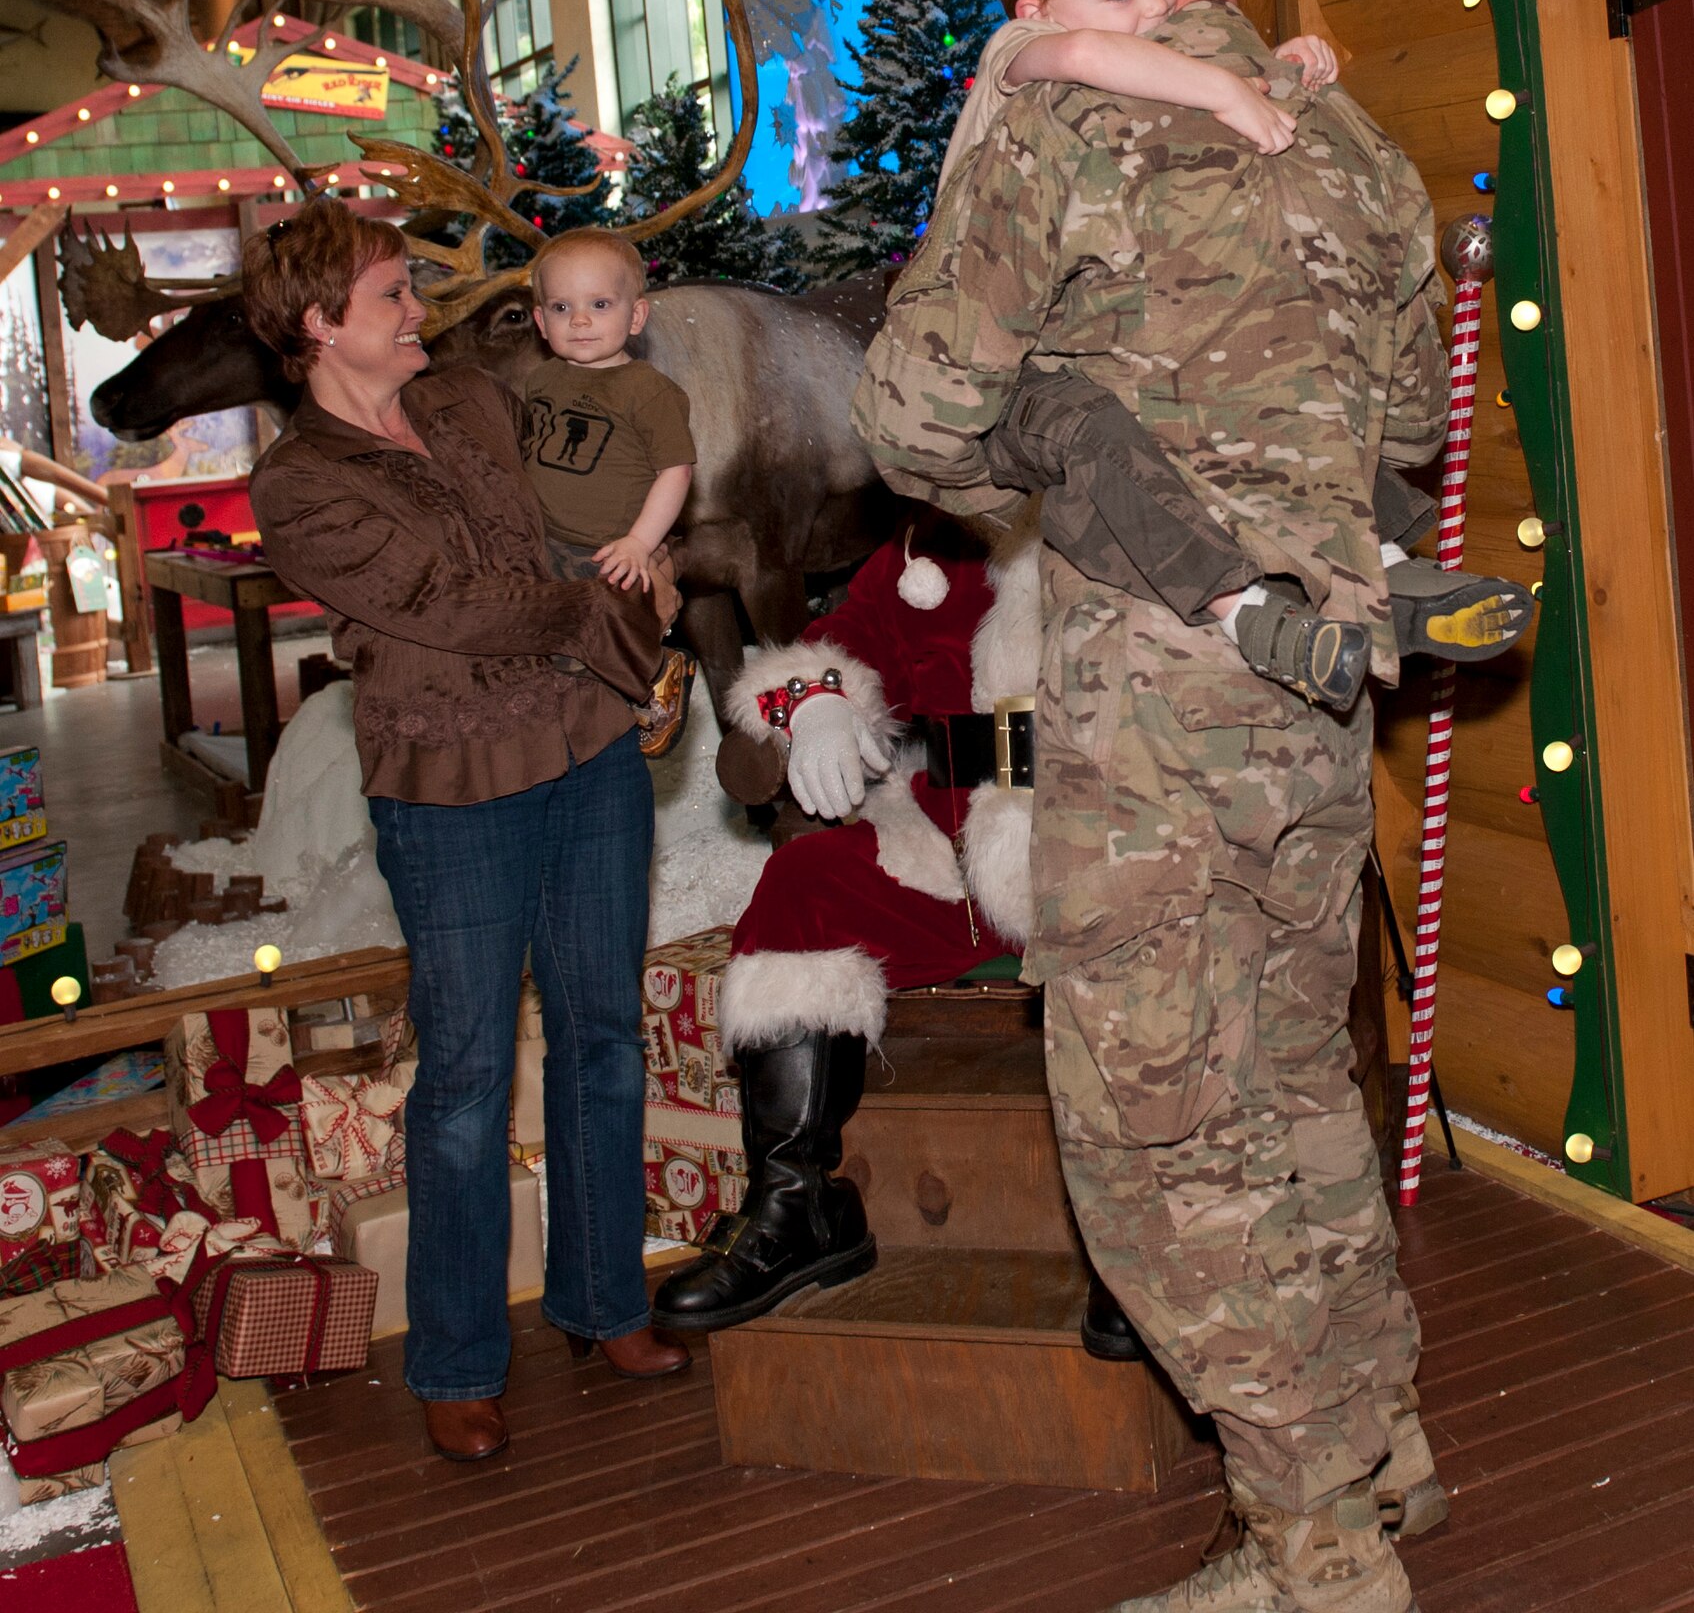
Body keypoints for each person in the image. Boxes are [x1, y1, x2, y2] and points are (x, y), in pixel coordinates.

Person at [853, 0, 1444, 1612]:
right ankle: (1375, 1451)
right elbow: (1407, 425)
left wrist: (1051, 445)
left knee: (1157, 1129)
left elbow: (909, 417)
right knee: (1288, 1079)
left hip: (1156, 706)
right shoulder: (1351, 148)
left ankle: (1306, 1546)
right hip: (1312, 693)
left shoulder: (1056, 120)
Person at [244, 200, 690, 1470]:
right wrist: (601, 614)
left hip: (587, 750)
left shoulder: (468, 401)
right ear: (322, 324)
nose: (414, 310)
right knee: (466, 1077)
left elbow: (574, 516)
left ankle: (607, 1302)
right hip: (448, 788)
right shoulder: (299, 484)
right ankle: (453, 1358)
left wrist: (646, 574)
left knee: (602, 1027)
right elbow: (454, 605)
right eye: (390, 293)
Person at [963, 0, 1530, 710]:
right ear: (1034, 8)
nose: (1156, 9)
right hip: (1041, 381)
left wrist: (1284, 65)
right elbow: (1416, 421)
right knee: (1181, 435)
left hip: (1142, 643)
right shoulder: (1026, 58)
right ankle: (1315, 585)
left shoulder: (1097, 80)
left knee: (1186, 426)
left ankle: (1343, 582)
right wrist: (1236, 83)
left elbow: (917, 421)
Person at [650, 511, 1159, 1357]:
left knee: (1115, 905)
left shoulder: (1099, 528)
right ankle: (799, 1209)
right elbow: (833, 643)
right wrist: (814, 704)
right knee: (802, 883)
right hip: (944, 849)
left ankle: (1142, 1244)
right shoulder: (918, 552)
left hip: (1091, 831)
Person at [523, 228, 694, 593]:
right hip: (539, 540)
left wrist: (640, 542)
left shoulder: (649, 391)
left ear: (635, 316)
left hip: (610, 554)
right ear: (541, 322)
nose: (579, 320)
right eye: (561, 307)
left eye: (599, 304)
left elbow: (676, 472)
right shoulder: (541, 379)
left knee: (605, 643)